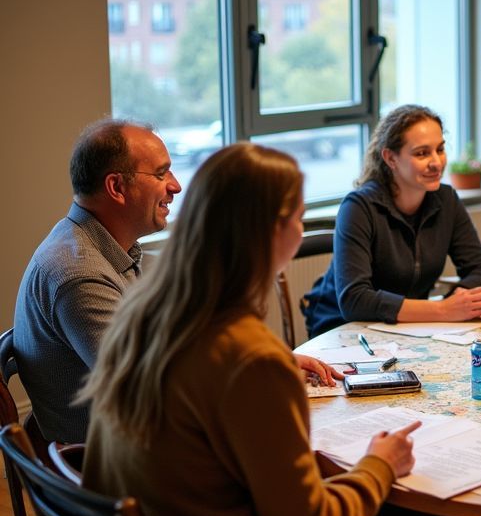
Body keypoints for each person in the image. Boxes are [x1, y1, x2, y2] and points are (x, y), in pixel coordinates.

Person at [77, 144, 481, 516]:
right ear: (272, 232)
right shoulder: (251, 359)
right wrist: (379, 466)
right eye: (299, 218)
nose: (301, 230)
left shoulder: (146, 317)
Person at [13, 119, 339, 444]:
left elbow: (162, 352)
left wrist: (263, 363)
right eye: (161, 174)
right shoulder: (79, 274)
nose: (176, 186)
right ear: (116, 187)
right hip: (111, 460)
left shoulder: (103, 248)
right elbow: (149, 387)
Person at [303, 104, 481, 337]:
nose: (437, 162)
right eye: (422, 153)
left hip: (408, 328)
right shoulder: (358, 207)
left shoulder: (446, 200)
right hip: (343, 330)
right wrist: (443, 310)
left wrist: (461, 300)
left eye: (440, 149)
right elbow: (355, 300)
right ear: (390, 158)